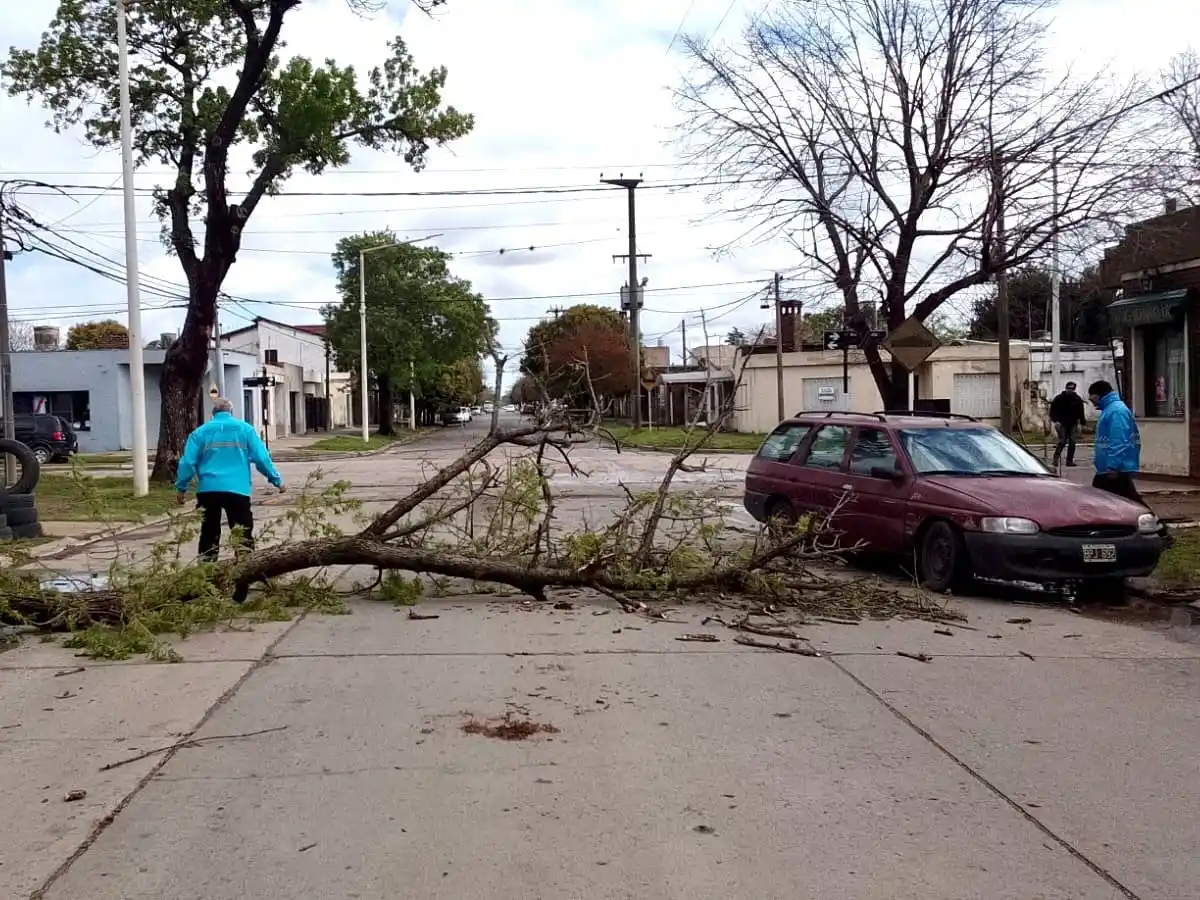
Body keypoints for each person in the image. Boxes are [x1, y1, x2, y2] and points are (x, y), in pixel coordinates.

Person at [175, 398, 284, 585]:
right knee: (242, 533)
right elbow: (261, 457)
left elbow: (187, 463)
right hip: (238, 490)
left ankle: (206, 577)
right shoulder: (245, 429)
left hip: (209, 490)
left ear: (213, 413)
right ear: (231, 411)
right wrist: (276, 480)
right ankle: (245, 574)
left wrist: (181, 487)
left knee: (209, 532)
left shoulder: (200, 433)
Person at [1087, 380, 1144, 506]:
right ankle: (1149, 521)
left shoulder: (1116, 411)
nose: (1090, 400)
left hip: (1114, 469)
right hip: (1111, 468)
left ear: (1097, 395)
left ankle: (1149, 521)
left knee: (1103, 502)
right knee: (1127, 501)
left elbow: (1119, 439)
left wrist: (1112, 466)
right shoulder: (1111, 410)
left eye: (1091, 396)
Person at [1049, 381, 1086, 468]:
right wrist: (1056, 421)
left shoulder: (1077, 399)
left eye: (1072, 389)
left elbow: (1081, 412)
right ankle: (1055, 459)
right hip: (1062, 423)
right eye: (1069, 388)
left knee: (1072, 442)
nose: (1070, 390)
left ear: (1074, 389)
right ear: (1066, 388)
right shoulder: (1059, 398)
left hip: (1073, 423)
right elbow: (1053, 411)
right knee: (1062, 441)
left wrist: (1082, 423)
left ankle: (1069, 461)